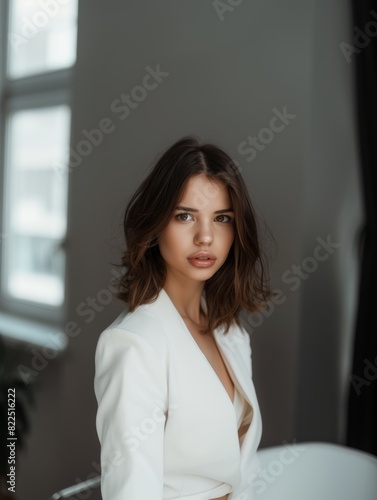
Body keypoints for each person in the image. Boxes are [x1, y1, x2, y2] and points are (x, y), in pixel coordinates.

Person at [94, 135, 275, 499]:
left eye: (221, 218)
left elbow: (244, 472)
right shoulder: (134, 344)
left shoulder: (231, 332)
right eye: (185, 216)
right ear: (156, 222)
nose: (205, 236)